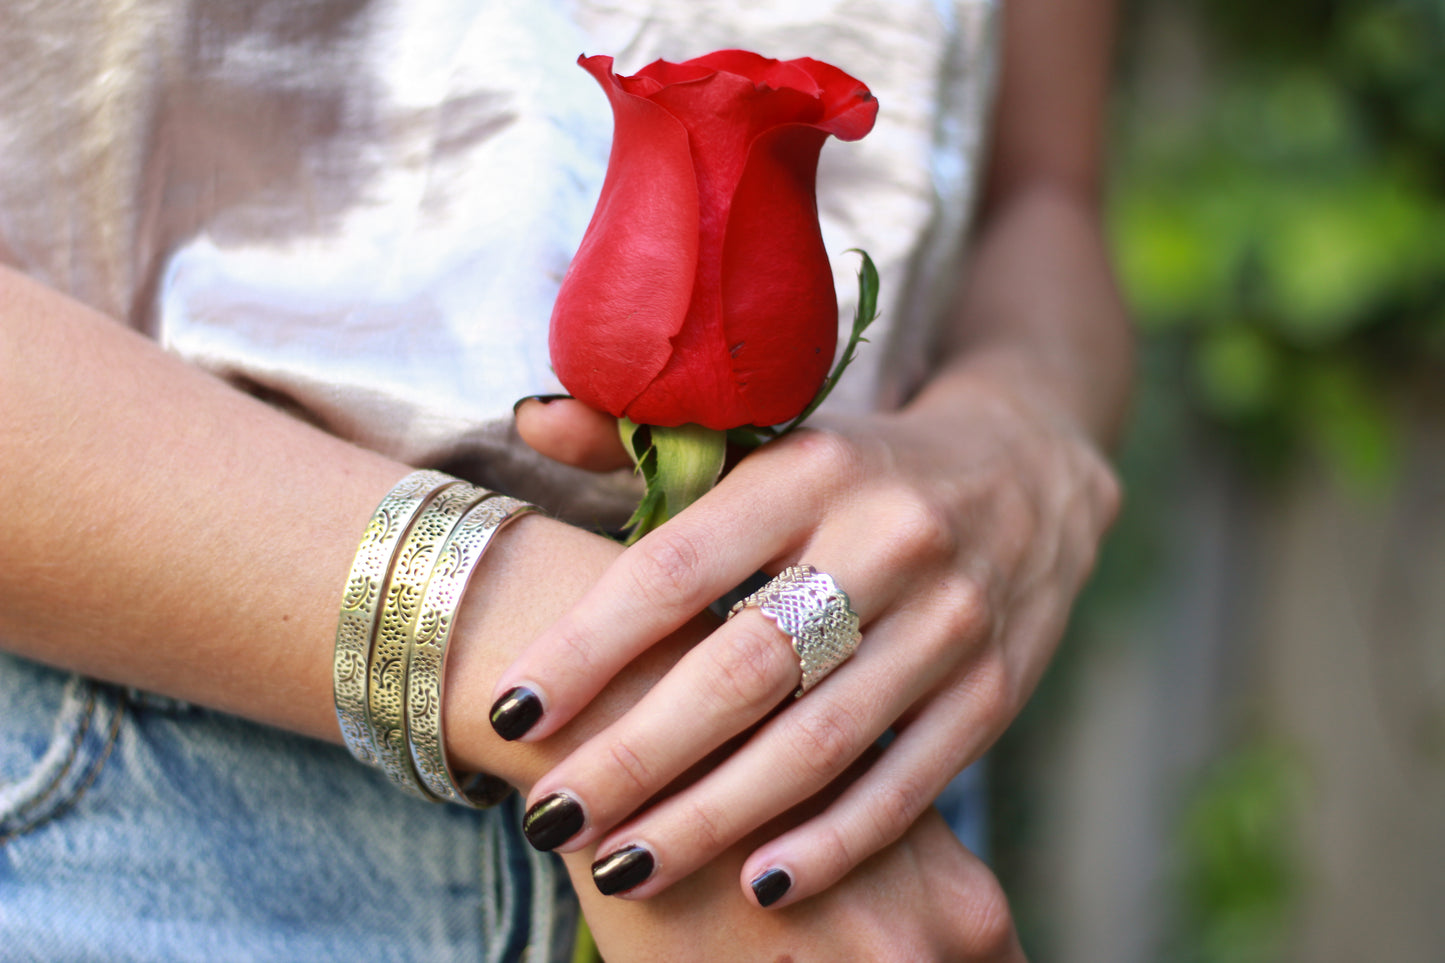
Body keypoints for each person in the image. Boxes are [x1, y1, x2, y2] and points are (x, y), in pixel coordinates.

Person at [0, 0, 1126, 960]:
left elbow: (1043, 194)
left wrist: (1023, 428)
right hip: (137, 821)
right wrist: (605, 688)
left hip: (843, 798)